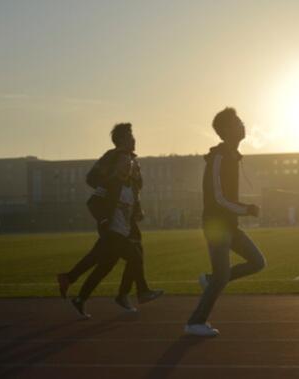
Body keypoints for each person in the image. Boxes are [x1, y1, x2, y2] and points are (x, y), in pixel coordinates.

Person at [57, 123, 162, 318]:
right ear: (121, 140)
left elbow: (135, 189)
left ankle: (75, 288)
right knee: (134, 256)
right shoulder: (111, 157)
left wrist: (136, 206)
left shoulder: (132, 160)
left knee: (104, 262)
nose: (134, 140)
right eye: (130, 136)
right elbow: (92, 180)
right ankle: (134, 292)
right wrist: (110, 188)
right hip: (113, 221)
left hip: (127, 221)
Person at [185, 108, 266, 337]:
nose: (242, 125)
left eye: (241, 120)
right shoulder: (219, 157)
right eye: (237, 122)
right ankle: (195, 322)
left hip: (229, 225)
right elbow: (218, 197)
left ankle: (210, 280)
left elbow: (226, 197)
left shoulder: (231, 156)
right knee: (222, 275)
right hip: (216, 224)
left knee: (258, 262)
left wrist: (242, 209)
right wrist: (246, 209)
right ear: (225, 131)